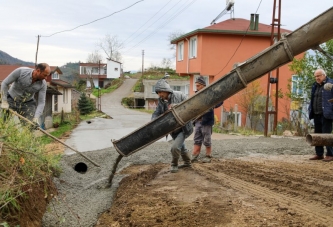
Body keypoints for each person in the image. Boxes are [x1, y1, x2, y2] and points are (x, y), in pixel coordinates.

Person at [152, 77, 193, 173]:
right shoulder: (161, 101)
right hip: (173, 130)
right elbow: (156, 113)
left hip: (184, 127)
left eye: (160, 92)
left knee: (175, 147)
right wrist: (153, 121)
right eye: (157, 93)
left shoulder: (179, 95)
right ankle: (187, 162)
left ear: (166, 90)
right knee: (181, 146)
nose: (159, 95)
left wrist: (175, 106)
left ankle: (174, 164)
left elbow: (189, 105)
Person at [191, 76, 223, 163]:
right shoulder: (196, 95)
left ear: (203, 86)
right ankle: (194, 155)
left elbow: (220, 100)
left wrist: (213, 105)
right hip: (198, 121)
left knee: (207, 139)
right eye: (196, 85)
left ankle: (208, 156)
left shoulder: (210, 94)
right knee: (197, 139)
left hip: (207, 121)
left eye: (198, 86)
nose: (196, 87)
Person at [308, 68, 333, 161]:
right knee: (317, 134)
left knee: (326, 134)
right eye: (315, 76)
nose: (316, 78)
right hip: (316, 113)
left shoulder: (330, 84)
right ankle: (319, 154)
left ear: (324, 75)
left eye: (318, 76)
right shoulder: (315, 85)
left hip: (326, 113)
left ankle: (330, 154)